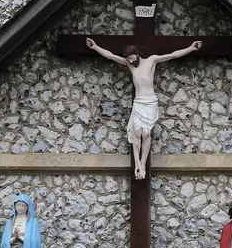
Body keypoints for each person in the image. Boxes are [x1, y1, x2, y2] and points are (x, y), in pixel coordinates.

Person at [85, 37, 202, 179]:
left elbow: (172, 55)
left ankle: (143, 163)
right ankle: (138, 166)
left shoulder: (151, 60)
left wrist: (191, 48)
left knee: (146, 133)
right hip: (139, 101)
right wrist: (95, 47)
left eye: (131, 57)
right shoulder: (129, 65)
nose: (130, 61)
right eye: (128, 59)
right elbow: (110, 56)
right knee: (136, 132)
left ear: (136, 53)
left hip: (150, 101)